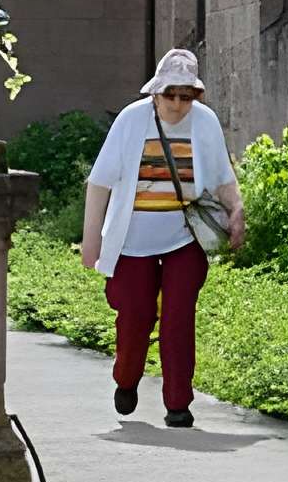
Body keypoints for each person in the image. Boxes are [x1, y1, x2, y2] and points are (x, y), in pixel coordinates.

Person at [81, 49, 244, 428]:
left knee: (178, 318)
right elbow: (100, 182)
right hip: (132, 240)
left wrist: (237, 211)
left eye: (186, 96)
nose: (177, 103)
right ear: (155, 93)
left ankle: (178, 404)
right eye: (170, 94)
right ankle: (126, 377)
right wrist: (92, 242)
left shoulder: (205, 122)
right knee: (135, 315)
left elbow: (223, 178)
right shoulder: (131, 120)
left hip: (184, 239)